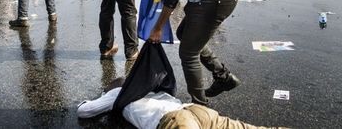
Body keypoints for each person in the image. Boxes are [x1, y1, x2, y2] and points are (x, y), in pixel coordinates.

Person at [77, 78, 279, 129]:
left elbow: (85, 112)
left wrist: (97, 98)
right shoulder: (149, 84)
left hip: (176, 121)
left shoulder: (117, 93)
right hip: (196, 111)